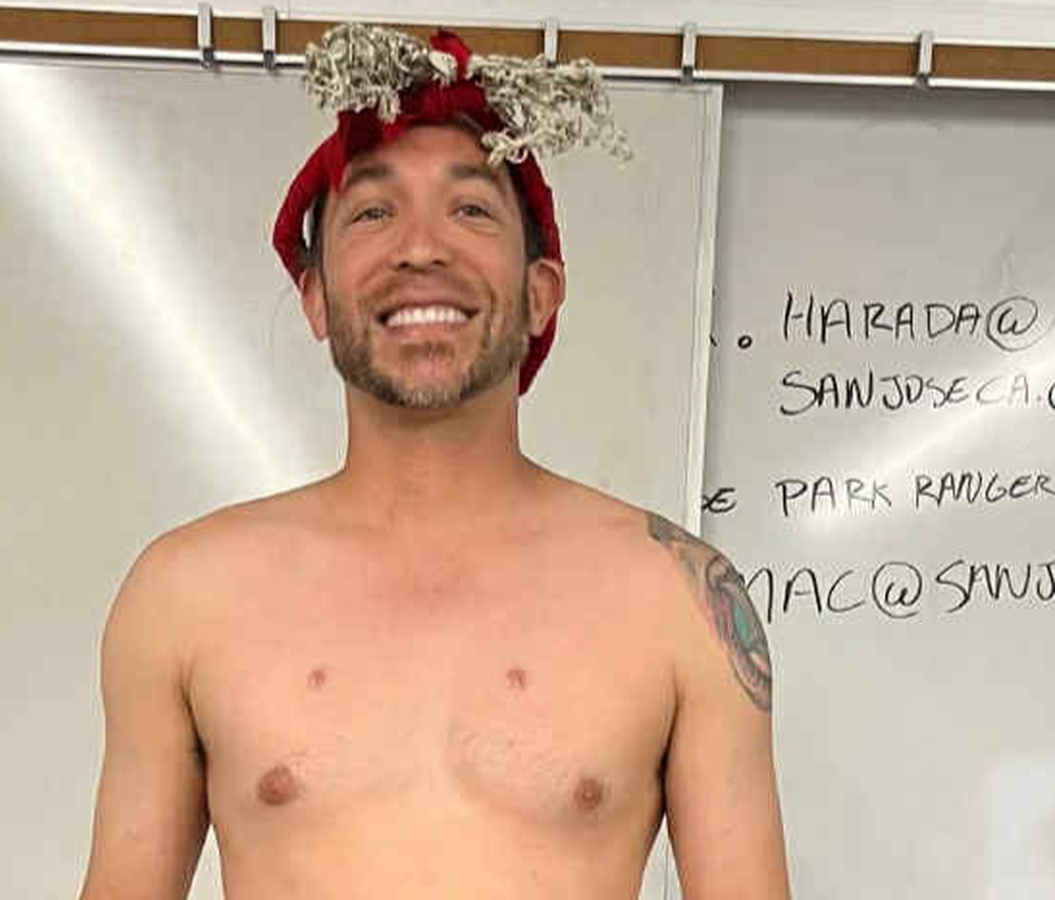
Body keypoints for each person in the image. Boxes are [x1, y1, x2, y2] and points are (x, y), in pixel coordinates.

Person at [78, 23, 789, 900]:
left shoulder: (679, 597)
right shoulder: (184, 594)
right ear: (315, 295)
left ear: (540, 294)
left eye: (471, 209)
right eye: (373, 212)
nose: (421, 248)